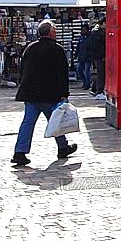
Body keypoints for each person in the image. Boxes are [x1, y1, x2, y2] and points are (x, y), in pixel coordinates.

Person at [11, 19, 76, 167]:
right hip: (49, 93)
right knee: (56, 119)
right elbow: (62, 73)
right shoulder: (57, 49)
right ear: (50, 33)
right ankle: (62, 147)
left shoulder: (30, 47)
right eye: (55, 31)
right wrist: (64, 93)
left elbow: (22, 69)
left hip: (30, 92)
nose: (56, 33)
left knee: (28, 122)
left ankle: (20, 152)